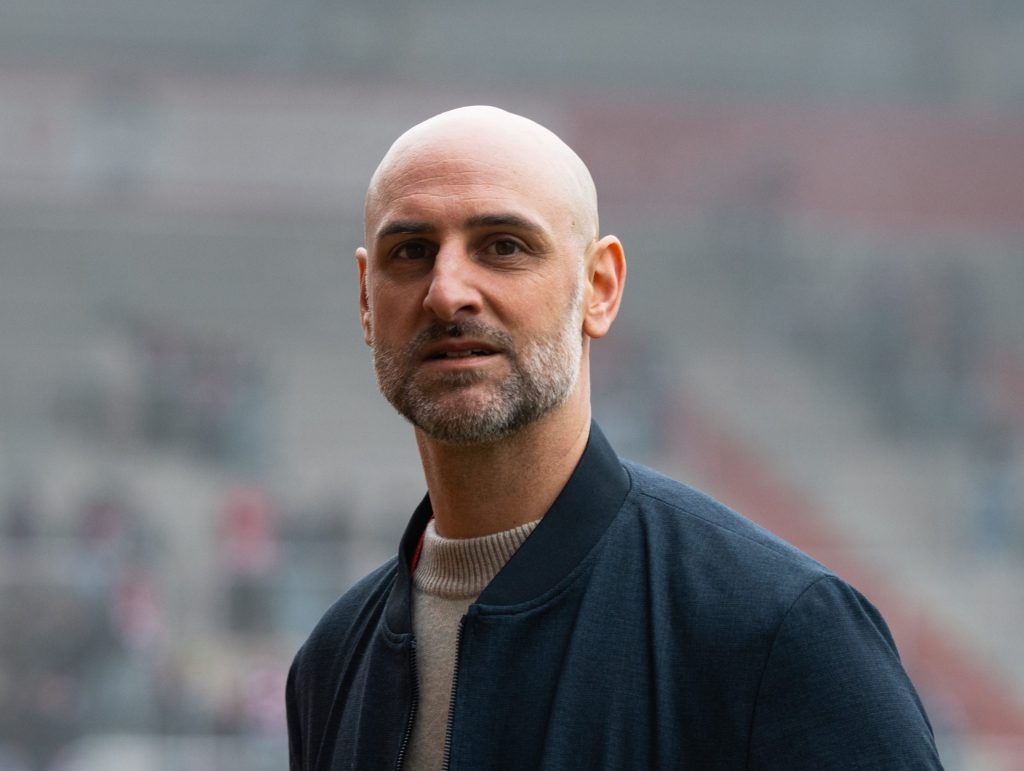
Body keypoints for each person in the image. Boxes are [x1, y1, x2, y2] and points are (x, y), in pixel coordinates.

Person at [286, 105, 942, 770]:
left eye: (504, 247)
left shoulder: (783, 632)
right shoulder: (331, 662)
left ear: (599, 287)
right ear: (366, 300)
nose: (447, 291)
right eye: (411, 252)